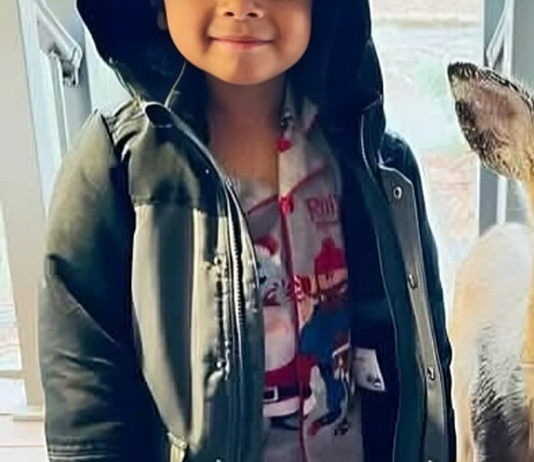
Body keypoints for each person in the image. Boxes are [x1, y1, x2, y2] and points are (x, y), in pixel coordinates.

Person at [37, 0, 455, 461]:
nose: (241, 6)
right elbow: (85, 393)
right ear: (156, 6)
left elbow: (424, 354)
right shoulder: (114, 171)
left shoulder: (376, 165)